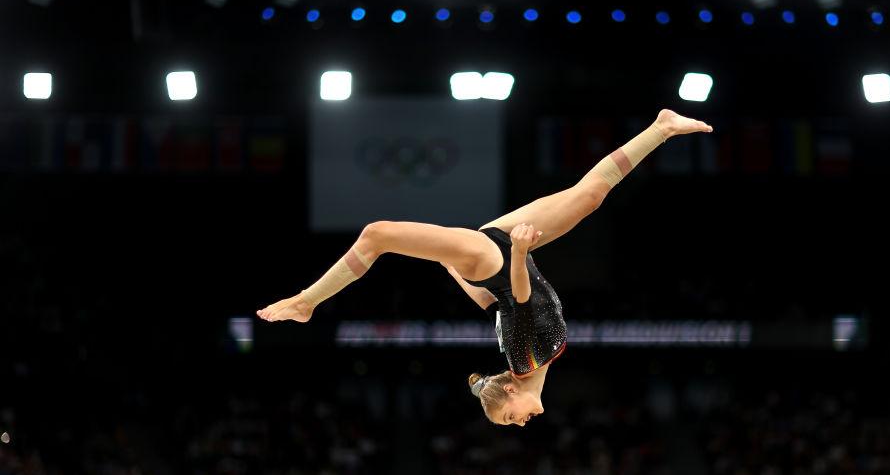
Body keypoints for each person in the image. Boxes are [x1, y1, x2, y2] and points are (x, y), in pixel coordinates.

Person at [257, 109, 713, 427]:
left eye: (510, 418)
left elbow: (520, 299)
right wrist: (462, 265)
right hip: (495, 260)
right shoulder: (537, 360)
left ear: (511, 392)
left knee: (377, 235)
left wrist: (516, 253)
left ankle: (306, 302)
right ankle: (661, 128)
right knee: (589, 196)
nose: (520, 423)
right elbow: (498, 305)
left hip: (494, 258)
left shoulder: (524, 363)